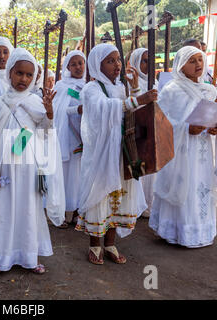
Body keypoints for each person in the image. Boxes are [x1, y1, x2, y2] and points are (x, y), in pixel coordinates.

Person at [0, 48, 65, 275]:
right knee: (4, 212)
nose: (24, 79)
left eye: (29, 75)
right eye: (19, 73)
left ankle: (29, 257)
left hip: (29, 169)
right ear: (10, 73)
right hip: (5, 168)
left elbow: (46, 134)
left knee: (29, 211)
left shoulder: (36, 102)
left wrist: (49, 113)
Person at [76, 43, 157, 265]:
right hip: (102, 156)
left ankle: (110, 243)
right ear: (96, 64)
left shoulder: (122, 88)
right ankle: (95, 245)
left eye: (118, 60)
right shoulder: (91, 89)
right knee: (100, 195)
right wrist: (136, 100)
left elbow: (135, 112)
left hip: (123, 153)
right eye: (110, 61)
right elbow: (104, 109)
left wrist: (136, 90)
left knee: (120, 196)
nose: (117, 65)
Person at [149, 46, 217, 248]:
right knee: (186, 185)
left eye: (200, 59)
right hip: (182, 151)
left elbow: (210, 116)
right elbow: (161, 123)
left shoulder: (207, 89)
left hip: (203, 151)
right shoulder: (172, 91)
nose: (198, 64)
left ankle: (200, 232)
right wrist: (185, 128)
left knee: (200, 188)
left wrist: (215, 128)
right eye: (192, 61)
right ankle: (177, 232)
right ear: (181, 66)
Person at [51, 50, 86, 229]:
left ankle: (77, 211)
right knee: (65, 176)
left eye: (81, 63)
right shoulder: (61, 86)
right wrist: (76, 110)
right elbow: (58, 111)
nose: (78, 67)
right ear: (67, 67)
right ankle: (63, 213)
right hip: (67, 137)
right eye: (74, 64)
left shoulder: (89, 86)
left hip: (83, 138)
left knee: (78, 176)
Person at [128, 48, 158, 218]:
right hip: (136, 132)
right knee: (136, 170)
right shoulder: (128, 82)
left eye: (150, 61)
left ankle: (148, 204)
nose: (148, 65)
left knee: (151, 173)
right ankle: (134, 205)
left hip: (152, 133)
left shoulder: (156, 83)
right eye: (144, 61)